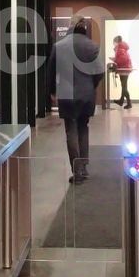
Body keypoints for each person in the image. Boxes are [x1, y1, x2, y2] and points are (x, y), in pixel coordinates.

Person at [48, 17, 102, 183]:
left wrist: (52, 91)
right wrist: (91, 85)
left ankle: (76, 171)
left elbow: (51, 71)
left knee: (71, 129)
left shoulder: (59, 46)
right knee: (83, 128)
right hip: (86, 94)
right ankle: (84, 168)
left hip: (66, 93)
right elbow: (100, 71)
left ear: (70, 28)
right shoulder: (92, 46)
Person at [110, 34, 133, 109]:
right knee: (124, 86)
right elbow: (123, 58)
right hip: (125, 68)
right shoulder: (122, 48)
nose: (113, 44)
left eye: (114, 42)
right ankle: (121, 100)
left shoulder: (120, 49)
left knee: (124, 87)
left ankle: (129, 103)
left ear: (116, 42)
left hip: (124, 69)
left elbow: (123, 59)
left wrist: (115, 60)